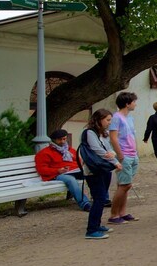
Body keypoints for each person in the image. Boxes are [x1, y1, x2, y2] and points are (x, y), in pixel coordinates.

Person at [79, 109, 119, 239]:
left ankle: (96, 225)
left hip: (103, 169)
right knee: (99, 198)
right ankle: (91, 230)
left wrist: (112, 156)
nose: (109, 122)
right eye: (107, 120)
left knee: (102, 199)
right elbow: (98, 150)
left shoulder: (102, 133)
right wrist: (115, 161)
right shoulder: (89, 132)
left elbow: (109, 149)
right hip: (94, 170)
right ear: (99, 120)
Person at [35, 129, 91, 211]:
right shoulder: (44, 153)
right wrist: (57, 170)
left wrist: (82, 164)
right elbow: (41, 170)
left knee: (93, 173)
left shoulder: (69, 150)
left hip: (75, 171)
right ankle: (85, 204)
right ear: (54, 140)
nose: (62, 141)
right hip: (57, 174)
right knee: (70, 180)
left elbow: (78, 161)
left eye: (64, 139)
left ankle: (101, 199)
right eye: (59, 139)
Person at [108, 91, 140, 225]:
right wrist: (120, 155)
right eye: (134, 102)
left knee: (125, 185)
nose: (135, 104)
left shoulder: (129, 118)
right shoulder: (116, 118)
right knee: (125, 185)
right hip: (124, 155)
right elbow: (113, 138)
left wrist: (136, 151)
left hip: (132, 154)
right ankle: (114, 214)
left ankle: (123, 212)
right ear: (127, 104)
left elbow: (132, 135)